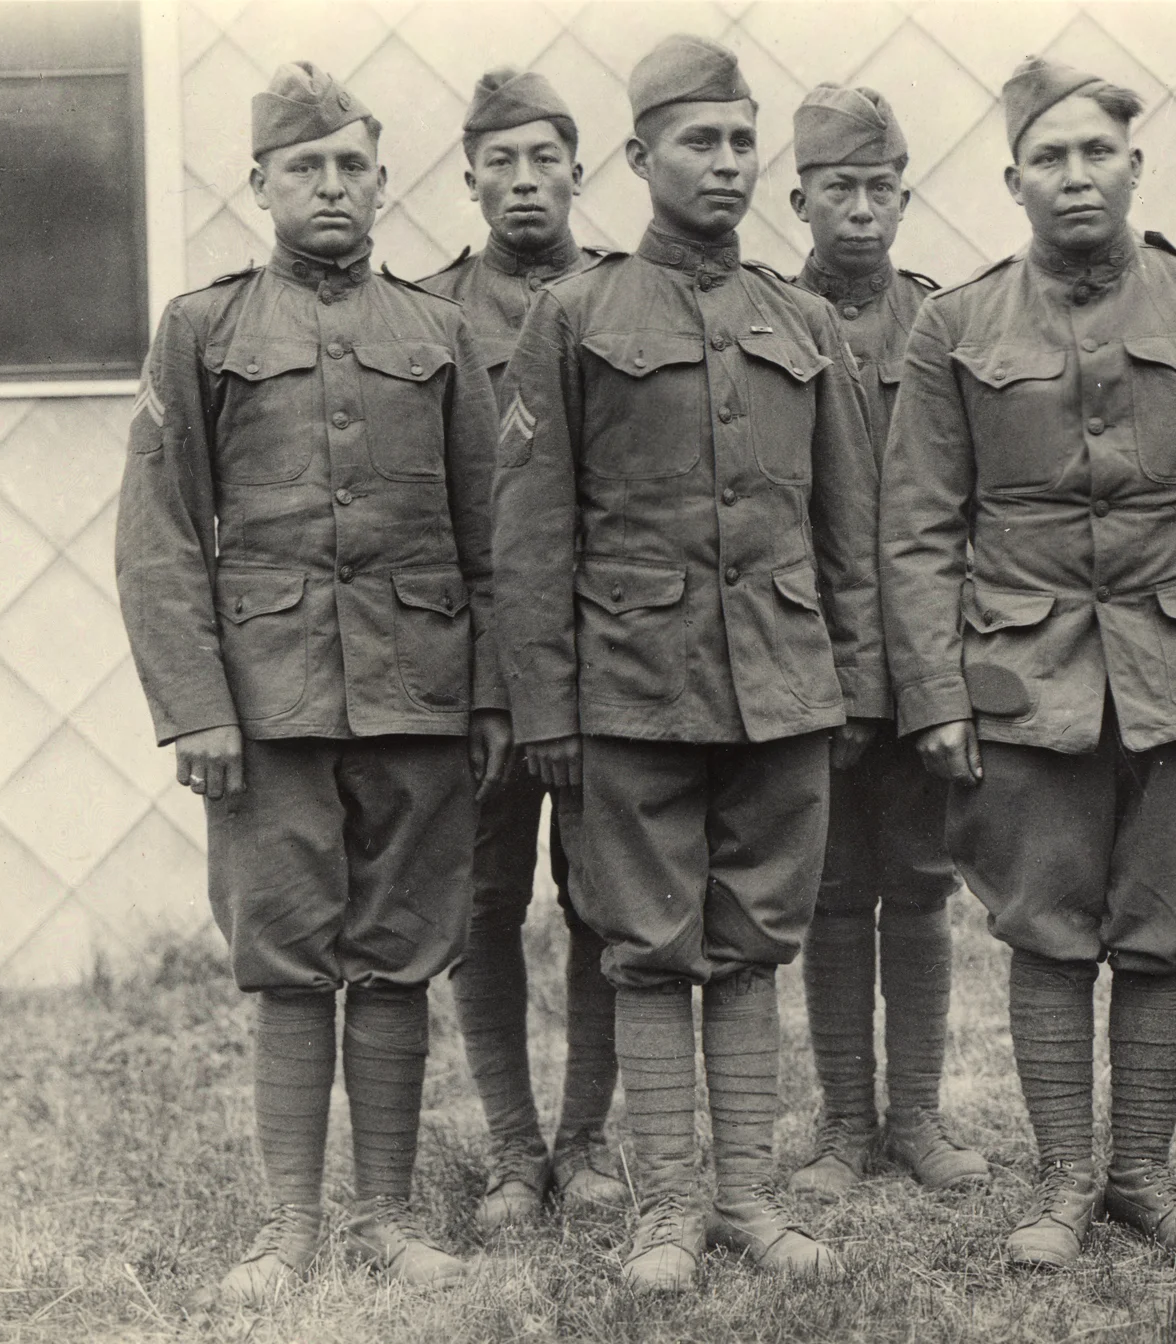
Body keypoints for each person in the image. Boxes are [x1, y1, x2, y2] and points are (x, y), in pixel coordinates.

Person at [880, 56, 1176, 1270]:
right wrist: (933, 694)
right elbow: (916, 525)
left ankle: (1142, 1179)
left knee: (1167, 928)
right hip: (1022, 679)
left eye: (1095, 153)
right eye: (1048, 158)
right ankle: (1063, 1182)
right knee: (1045, 929)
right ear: (1011, 178)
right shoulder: (953, 323)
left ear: (1134, 165)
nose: (1074, 176)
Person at [492, 34, 885, 1292]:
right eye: (695, 141)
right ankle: (663, 1207)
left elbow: (847, 531)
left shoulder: (801, 317)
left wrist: (856, 687)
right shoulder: (573, 316)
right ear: (638, 155)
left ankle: (745, 1202)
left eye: (737, 139)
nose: (723, 163)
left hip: (779, 685)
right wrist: (546, 703)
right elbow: (530, 532)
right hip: (630, 691)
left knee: (755, 937)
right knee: (649, 943)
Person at [115, 62, 503, 1303]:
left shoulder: (436, 333)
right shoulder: (206, 329)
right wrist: (198, 707)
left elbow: (489, 532)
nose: (329, 187)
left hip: (419, 693)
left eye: (350, 166)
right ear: (261, 186)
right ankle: (287, 1228)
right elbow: (161, 533)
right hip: (267, 700)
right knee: (287, 955)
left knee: (398, 950)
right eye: (304, 168)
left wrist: (490, 696)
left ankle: (386, 1218)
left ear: (384, 181)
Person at [417, 66, 629, 1228]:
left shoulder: (624, 301)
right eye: (498, 161)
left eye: (544, 157)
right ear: (469, 181)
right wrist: (488, 684)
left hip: (607, 666)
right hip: (475, 682)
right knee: (480, 906)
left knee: (605, 901)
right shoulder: (431, 312)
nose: (523, 180)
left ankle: (590, 1142)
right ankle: (512, 1149)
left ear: (577, 171)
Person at [781, 83, 989, 1201]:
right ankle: (841, 1127)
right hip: (806, 664)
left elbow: (969, 503)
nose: (859, 210)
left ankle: (913, 1117)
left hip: (922, 663)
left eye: (879, 188)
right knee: (827, 889)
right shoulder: (770, 318)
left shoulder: (941, 321)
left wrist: (942, 669)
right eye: (837, 189)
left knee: (917, 882)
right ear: (799, 196)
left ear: (902, 197)